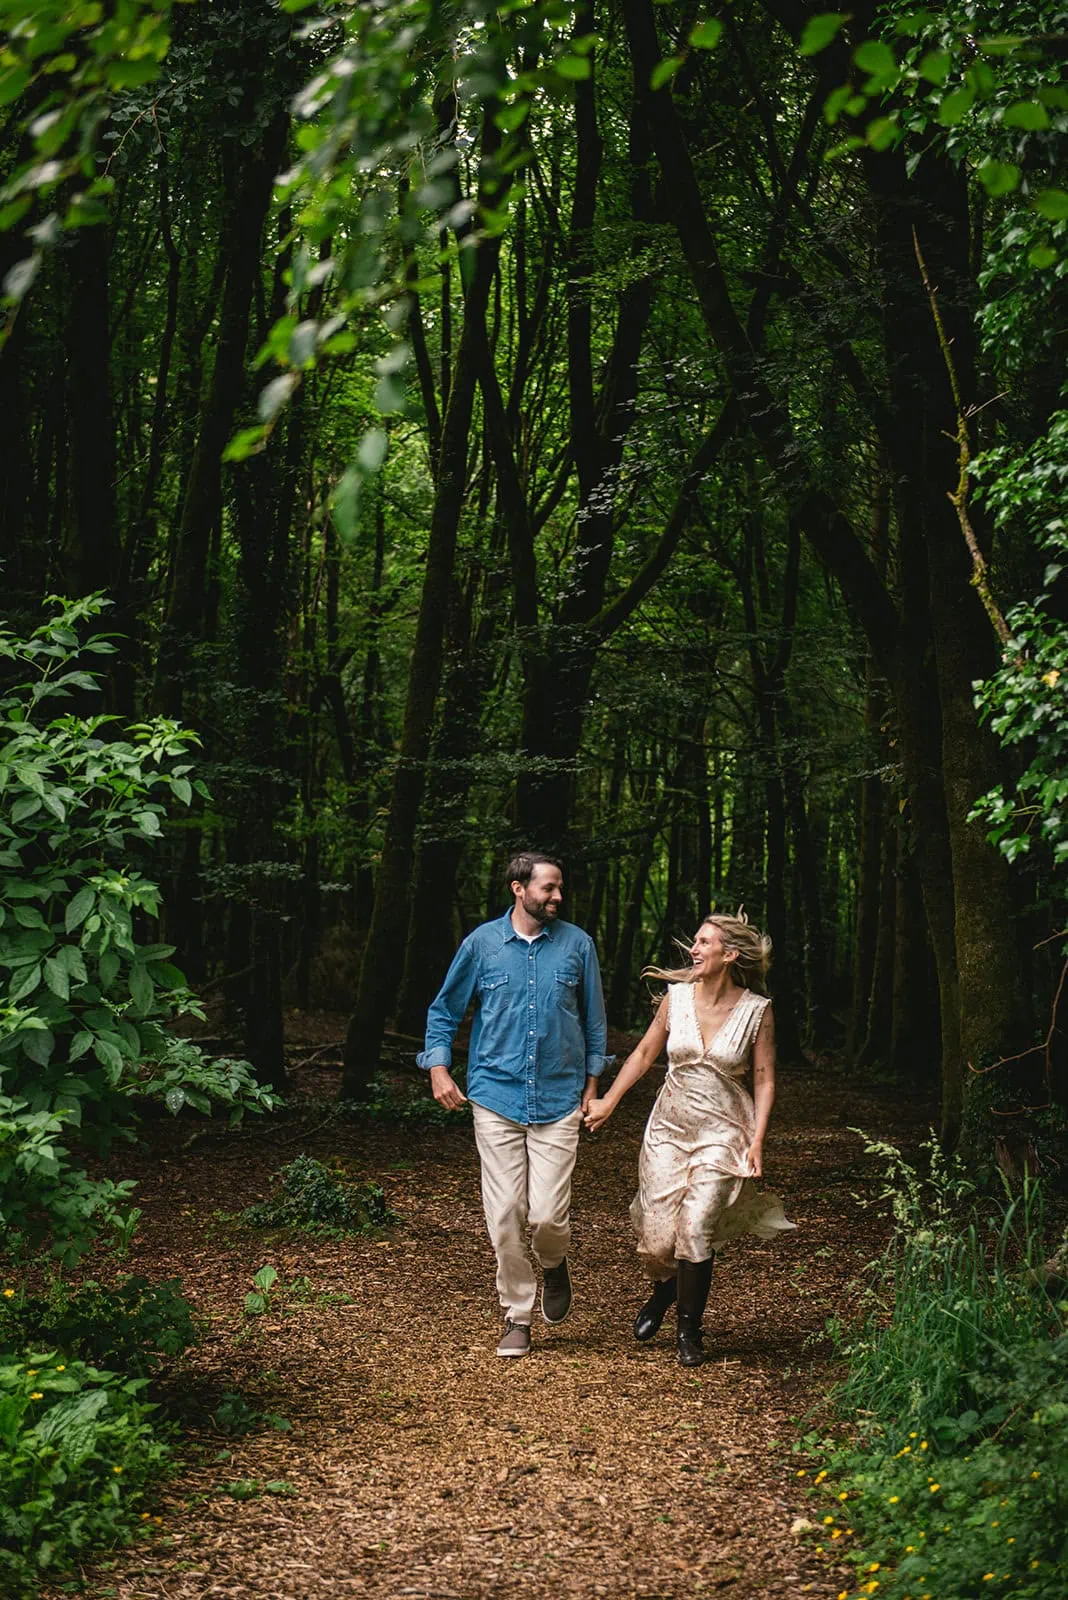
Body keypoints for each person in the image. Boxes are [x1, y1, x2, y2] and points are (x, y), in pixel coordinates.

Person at [418, 852, 610, 1359]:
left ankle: (553, 1262)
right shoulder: (482, 945)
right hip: (495, 1094)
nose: (558, 897)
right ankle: (517, 1314)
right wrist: (438, 1068)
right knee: (505, 1212)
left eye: (560, 888)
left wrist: (593, 1086)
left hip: (560, 1096)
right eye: (549, 888)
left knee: (546, 1216)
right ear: (518, 889)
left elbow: (594, 1023)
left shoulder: (578, 946)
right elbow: (444, 1012)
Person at [583, 912, 795, 1367]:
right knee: (660, 1239)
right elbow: (643, 1053)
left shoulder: (757, 1010)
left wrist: (757, 1141)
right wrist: (609, 1103)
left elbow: (764, 1080)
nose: (693, 950)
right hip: (668, 1130)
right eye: (695, 943)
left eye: (703, 943)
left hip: (724, 1131)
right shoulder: (676, 1000)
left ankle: (689, 1329)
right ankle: (664, 1292)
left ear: (729, 954)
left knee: (696, 1226)